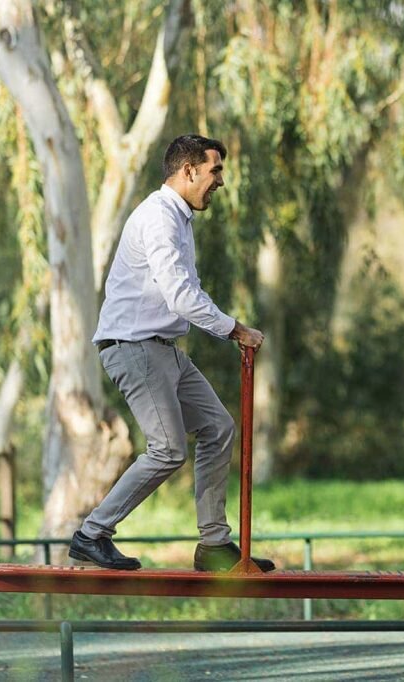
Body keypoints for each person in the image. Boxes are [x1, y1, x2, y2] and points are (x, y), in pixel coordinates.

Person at [68, 134, 275, 573]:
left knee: (218, 427)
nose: (220, 181)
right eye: (215, 170)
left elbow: (186, 291)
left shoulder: (179, 219)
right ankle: (91, 534)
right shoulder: (159, 217)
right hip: (135, 347)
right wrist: (234, 329)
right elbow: (181, 295)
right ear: (189, 171)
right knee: (167, 450)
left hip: (163, 348)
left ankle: (213, 545)